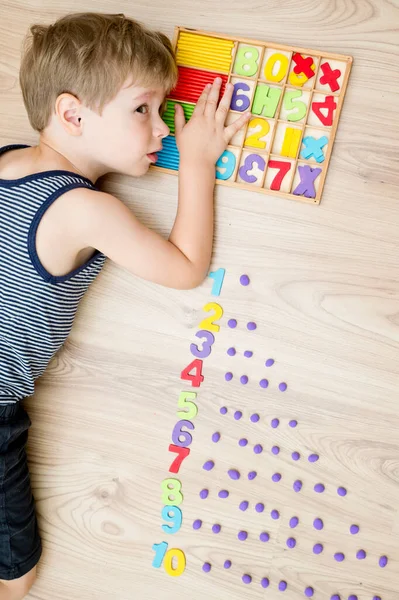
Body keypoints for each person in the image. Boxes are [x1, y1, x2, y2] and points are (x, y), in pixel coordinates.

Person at [0, 11, 251, 599]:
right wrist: (196, 161)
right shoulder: (84, 209)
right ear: (72, 114)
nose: (164, 129)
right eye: (144, 110)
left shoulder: (8, 161)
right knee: (16, 575)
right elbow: (187, 268)